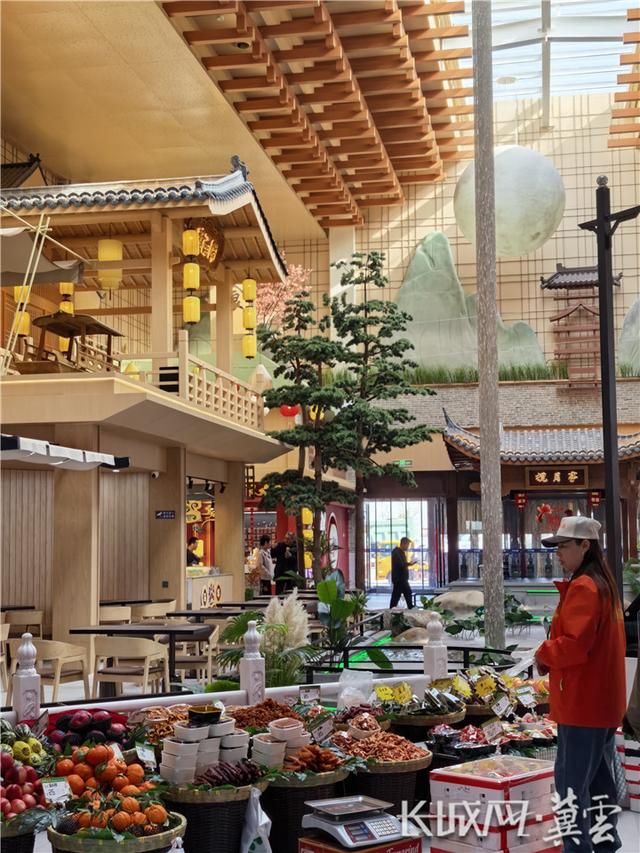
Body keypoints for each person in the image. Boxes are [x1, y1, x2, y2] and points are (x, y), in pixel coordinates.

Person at [534, 516, 626, 853]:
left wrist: (542, 653)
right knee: (600, 784)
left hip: (582, 704)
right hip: (602, 704)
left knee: (570, 788)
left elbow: (574, 646)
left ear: (585, 545)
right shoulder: (603, 584)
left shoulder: (585, 587)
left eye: (564, 546)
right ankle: (605, 845)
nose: (558, 553)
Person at [389, 537, 415, 609]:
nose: (408, 547)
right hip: (399, 579)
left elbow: (402, 564)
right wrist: (409, 564)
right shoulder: (396, 552)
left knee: (400, 595)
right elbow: (400, 564)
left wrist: (408, 563)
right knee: (402, 594)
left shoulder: (400, 552)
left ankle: (410, 607)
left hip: (401, 579)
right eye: (407, 545)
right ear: (403, 544)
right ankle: (410, 608)